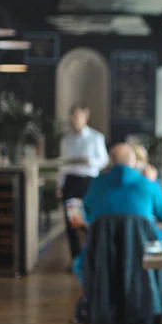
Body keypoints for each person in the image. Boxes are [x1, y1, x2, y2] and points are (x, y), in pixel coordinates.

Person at [71, 143, 162, 288]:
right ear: (134, 162)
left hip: (103, 254)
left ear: (111, 161)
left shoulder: (96, 184)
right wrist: (153, 183)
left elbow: (88, 214)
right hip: (142, 256)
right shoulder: (146, 184)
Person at [59, 104, 109, 263]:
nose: (75, 120)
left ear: (85, 117)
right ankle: (76, 260)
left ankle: (92, 258)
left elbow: (104, 161)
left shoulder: (96, 138)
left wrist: (90, 161)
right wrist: (59, 185)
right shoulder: (66, 139)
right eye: (73, 117)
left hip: (88, 181)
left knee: (89, 221)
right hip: (71, 181)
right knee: (71, 222)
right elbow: (62, 165)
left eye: (78, 116)